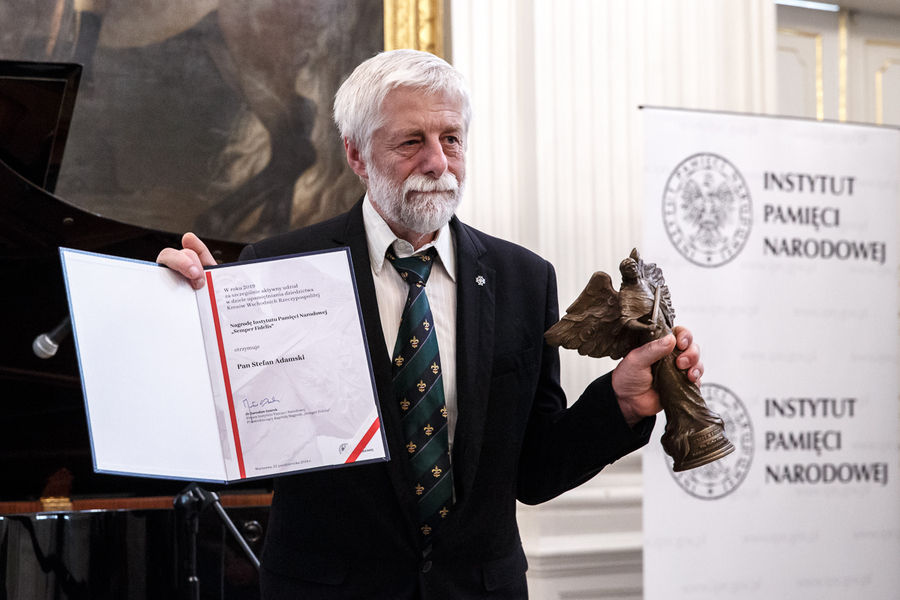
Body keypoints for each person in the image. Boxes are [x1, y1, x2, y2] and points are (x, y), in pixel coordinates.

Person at [157, 49, 703, 600]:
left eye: (452, 139)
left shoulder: (524, 279)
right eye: (411, 141)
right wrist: (180, 320)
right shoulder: (278, 270)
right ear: (356, 153)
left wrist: (623, 402)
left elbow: (536, 471)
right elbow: (234, 438)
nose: (438, 163)